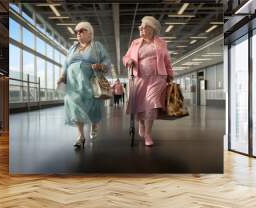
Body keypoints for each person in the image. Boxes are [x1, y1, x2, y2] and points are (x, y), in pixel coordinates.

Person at [57, 21, 111, 149]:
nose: (78, 34)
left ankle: (94, 125)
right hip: (73, 83)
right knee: (74, 106)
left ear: (90, 33)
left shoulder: (97, 46)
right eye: (77, 32)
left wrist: (101, 65)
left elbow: (107, 60)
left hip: (90, 81)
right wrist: (62, 76)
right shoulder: (73, 48)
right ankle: (81, 137)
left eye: (82, 31)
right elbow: (66, 64)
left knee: (92, 106)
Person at [122, 16, 173, 146]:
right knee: (139, 106)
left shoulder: (161, 43)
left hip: (157, 78)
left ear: (152, 29)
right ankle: (141, 124)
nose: (142, 29)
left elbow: (167, 60)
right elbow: (126, 57)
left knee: (151, 104)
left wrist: (170, 73)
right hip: (139, 77)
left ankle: (148, 134)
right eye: (141, 27)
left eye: (145, 27)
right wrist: (128, 61)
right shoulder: (135, 43)